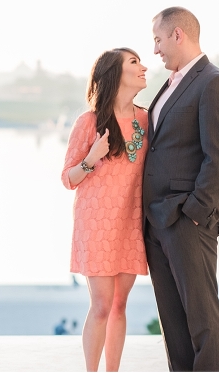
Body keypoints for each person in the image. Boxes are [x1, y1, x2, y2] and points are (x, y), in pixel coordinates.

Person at [143, 7, 219, 372]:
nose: (155, 50)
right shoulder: (170, 85)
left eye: (158, 39)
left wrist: (195, 214)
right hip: (156, 223)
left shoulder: (214, 82)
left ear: (177, 34)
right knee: (174, 327)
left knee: (202, 322)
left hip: (186, 221)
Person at [61, 48, 150, 372]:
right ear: (116, 74)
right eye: (134, 62)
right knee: (100, 306)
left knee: (119, 305)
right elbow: (68, 179)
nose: (144, 67)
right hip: (96, 225)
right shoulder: (88, 122)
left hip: (129, 223)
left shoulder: (144, 119)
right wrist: (92, 157)